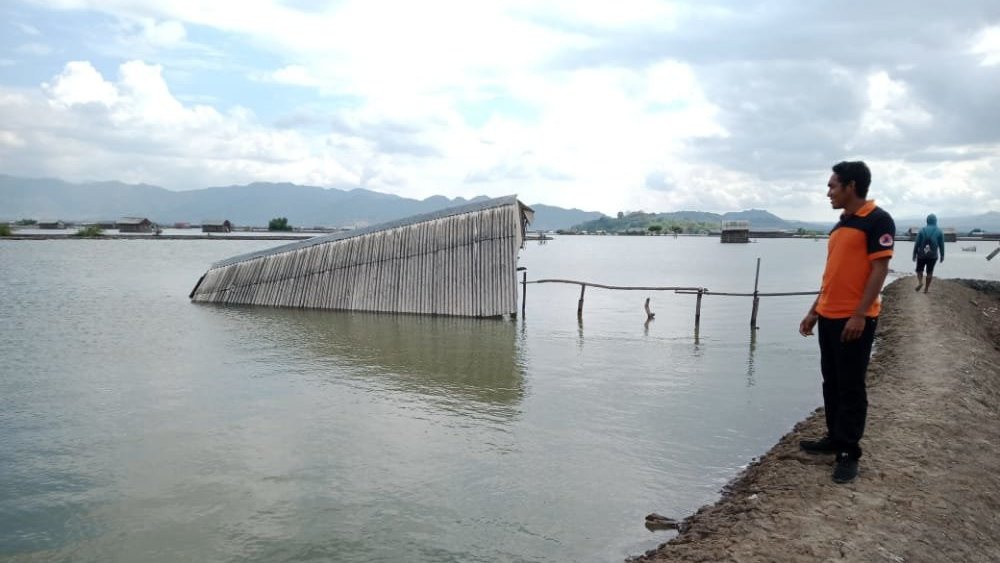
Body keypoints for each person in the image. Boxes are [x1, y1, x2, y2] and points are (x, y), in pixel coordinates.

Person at [798, 161, 895, 484]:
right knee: (832, 381)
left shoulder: (877, 220)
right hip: (828, 315)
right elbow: (832, 275)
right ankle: (834, 437)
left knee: (851, 384)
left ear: (851, 186)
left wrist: (859, 314)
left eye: (832, 186)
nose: (828, 193)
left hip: (854, 319)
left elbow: (879, 270)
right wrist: (814, 311)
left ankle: (849, 452)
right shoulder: (840, 226)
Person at [912, 213, 945, 293]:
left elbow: (917, 243)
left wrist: (914, 254)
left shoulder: (921, 230)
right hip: (933, 256)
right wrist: (942, 255)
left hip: (921, 255)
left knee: (919, 270)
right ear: (935, 221)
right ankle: (926, 289)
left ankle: (920, 282)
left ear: (927, 221)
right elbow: (941, 245)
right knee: (930, 272)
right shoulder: (939, 231)